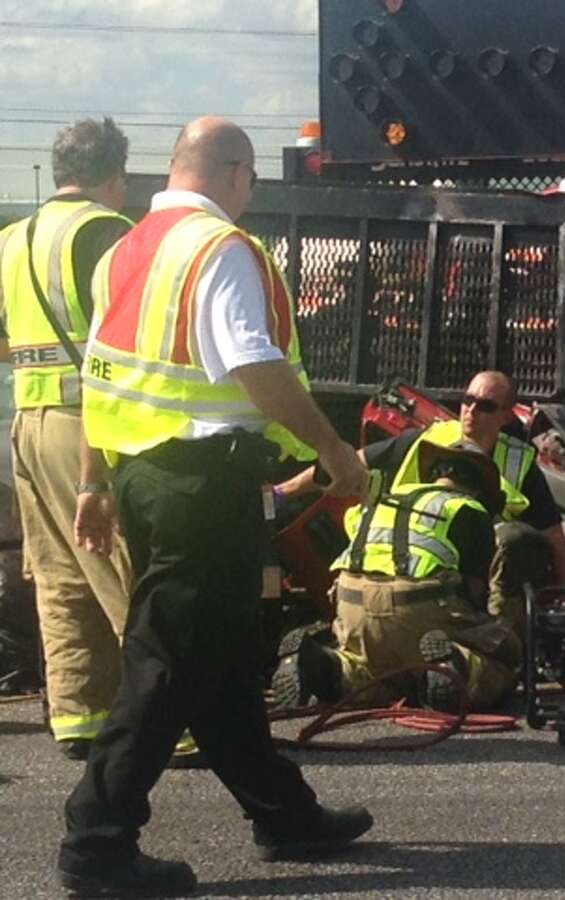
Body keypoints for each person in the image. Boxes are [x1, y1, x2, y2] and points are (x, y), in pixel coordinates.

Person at [57, 116, 373, 897]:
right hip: (203, 481)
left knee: (225, 660)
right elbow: (253, 364)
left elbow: (98, 378)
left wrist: (96, 482)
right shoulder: (222, 248)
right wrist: (334, 454)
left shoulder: (126, 249)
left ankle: (284, 815)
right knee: (166, 662)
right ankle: (95, 843)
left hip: (144, 476)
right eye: (251, 181)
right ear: (236, 174)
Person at [0, 118, 135, 758]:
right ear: (116, 172)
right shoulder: (106, 232)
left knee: (59, 576)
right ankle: (175, 721)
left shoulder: (12, 239)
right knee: (125, 568)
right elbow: (127, 335)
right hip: (90, 424)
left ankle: (81, 717)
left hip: (26, 425)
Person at [278, 369, 565, 635]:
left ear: (506, 416)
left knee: (519, 540)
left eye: (485, 406)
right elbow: (346, 464)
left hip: (474, 583)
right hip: (408, 569)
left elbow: (555, 543)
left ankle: (495, 643)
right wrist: (282, 492)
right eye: (467, 400)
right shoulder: (426, 440)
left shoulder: (519, 463)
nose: (471, 410)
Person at [276, 440, 521, 712]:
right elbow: (476, 596)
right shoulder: (467, 508)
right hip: (421, 611)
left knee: (373, 674)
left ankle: (324, 668)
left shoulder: (383, 499)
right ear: (477, 487)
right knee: (502, 667)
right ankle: (455, 668)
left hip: (352, 610)